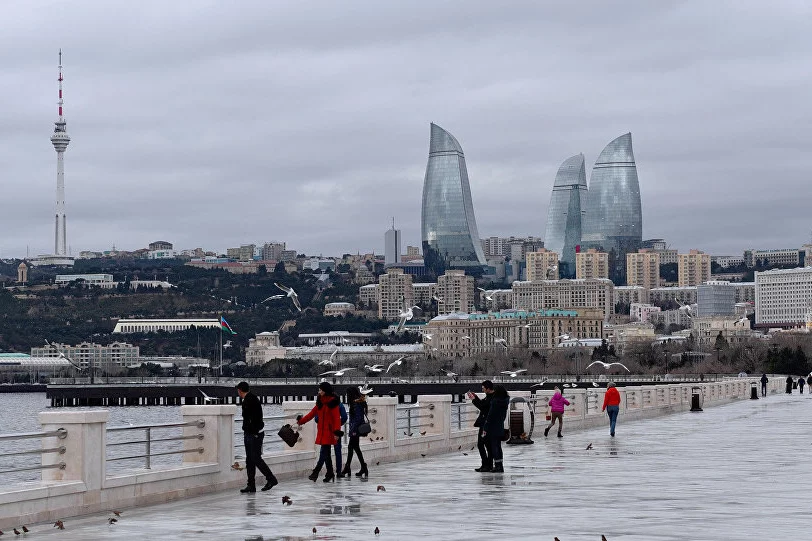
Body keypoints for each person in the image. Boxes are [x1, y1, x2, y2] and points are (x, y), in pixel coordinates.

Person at [235, 381, 278, 493]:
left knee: (255, 458)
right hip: (252, 433)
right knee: (250, 459)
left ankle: (271, 479)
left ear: (240, 390)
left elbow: (253, 418)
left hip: (254, 434)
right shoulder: (252, 398)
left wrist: (253, 431)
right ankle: (251, 485)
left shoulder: (249, 400)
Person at [297, 381, 342, 483]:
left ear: (325, 391)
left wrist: (337, 433)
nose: (319, 391)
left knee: (325, 452)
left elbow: (336, 419)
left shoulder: (332, 403)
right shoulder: (320, 402)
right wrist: (301, 421)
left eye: (320, 389)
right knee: (326, 453)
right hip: (322, 432)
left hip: (330, 432)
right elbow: (311, 414)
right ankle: (329, 473)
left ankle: (316, 473)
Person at [340, 386, 369, 478]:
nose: (346, 395)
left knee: (352, 447)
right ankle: (362, 467)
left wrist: (352, 431)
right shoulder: (359, 402)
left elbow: (357, 419)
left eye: (347, 394)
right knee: (355, 448)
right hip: (356, 429)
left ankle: (348, 467)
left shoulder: (356, 403)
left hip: (355, 430)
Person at [481, 385, 509, 473]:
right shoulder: (505, 401)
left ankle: (497, 466)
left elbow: (490, 415)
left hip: (492, 426)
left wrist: (486, 427)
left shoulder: (495, 401)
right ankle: (500, 465)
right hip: (500, 425)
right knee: (498, 447)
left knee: (494, 447)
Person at [467, 380, 494, 472]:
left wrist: (474, 399)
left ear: (488, 388)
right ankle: (487, 464)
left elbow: (483, 407)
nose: (482, 390)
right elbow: (483, 404)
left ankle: (487, 465)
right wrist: (476, 398)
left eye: (483, 388)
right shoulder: (489, 397)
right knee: (486, 445)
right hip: (485, 424)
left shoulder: (491, 398)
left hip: (486, 425)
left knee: (483, 444)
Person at [334, 401, 349, 477]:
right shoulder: (339, 404)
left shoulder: (323, 403)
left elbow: (317, 418)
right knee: (337, 450)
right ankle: (338, 471)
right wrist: (338, 423)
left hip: (326, 430)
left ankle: (329, 472)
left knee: (325, 451)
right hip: (336, 431)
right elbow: (345, 417)